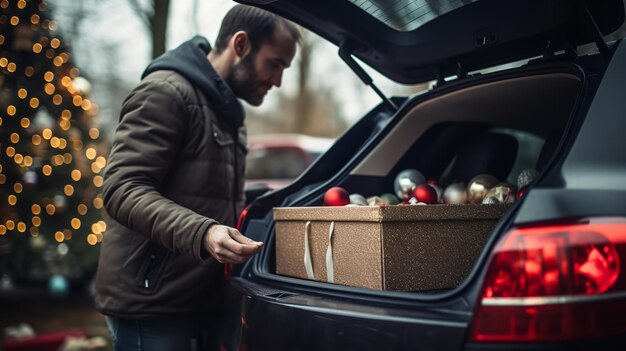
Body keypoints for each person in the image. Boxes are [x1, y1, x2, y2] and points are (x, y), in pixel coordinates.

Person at [93, 5, 300, 350]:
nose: (278, 81)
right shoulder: (166, 92)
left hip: (197, 297)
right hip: (152, 303)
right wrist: (203, 232)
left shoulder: (227, 111)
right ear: (241, 45)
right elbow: (121, 189)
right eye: (274, 63)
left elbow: (202, 191)